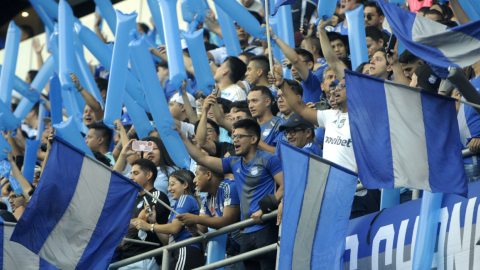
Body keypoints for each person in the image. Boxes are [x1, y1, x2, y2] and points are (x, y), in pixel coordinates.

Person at [174, 118, 283, 270]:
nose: (235, 140)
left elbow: (284, 186)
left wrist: (265, 209)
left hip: (266, 227)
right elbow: (202, 158)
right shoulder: (234, 162)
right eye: (233, 137)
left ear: (253, 139)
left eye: (239, 136)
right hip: (246, 231)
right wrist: (182, 137)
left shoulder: (268, 159)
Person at [272, 67, 380, 219]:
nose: (336, 90)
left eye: (342, 86)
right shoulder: (329, 116)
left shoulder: (364, 118)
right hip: (333, 196)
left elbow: (368, 154)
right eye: (335, 86)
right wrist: (282, 84)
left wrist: (352, 182)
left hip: (357, 194)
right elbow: (301, 109)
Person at [134, 169, 204, 270]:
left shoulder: (185, 198)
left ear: (185, 184)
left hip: (185, 250)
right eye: (169, 185)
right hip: (178, 251)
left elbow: (174, 228)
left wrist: (149, 226)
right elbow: (167, 241)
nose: (169, 189)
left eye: (172, 184)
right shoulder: (178, 205)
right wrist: (154, 221)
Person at [177, 165, 243, 269]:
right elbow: (201, 229)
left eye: (196, 174)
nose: (194, 180)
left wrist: (195, 219)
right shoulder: (207, 198)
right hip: (232, 250)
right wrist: (192, 227)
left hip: (246, 247)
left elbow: (229, 221)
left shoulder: (229, 186)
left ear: (208, 174)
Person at [114, 158, 170, 270]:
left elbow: (140, 222)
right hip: (126, 260)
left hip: (145, 258)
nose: (131, 178)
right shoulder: (134, 200)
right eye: (130, 174)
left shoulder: (157, 195)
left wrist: (113, 226)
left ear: (149, 175)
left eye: (135, 173)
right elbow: (125, 237)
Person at [273, 26, 324, 103]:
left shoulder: (312, 83)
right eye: (290, 65)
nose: (293, 68)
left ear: (309, 65)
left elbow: (296, 60)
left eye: (296, 65)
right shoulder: (294, 87)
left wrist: (274, 37)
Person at [248, 86, 286, 153]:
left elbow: (283, 153)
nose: (250, 106)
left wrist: (255, 141)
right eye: (248, 102)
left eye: (254, 101)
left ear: (267, 102)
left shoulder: (280, 123)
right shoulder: (249, 127)